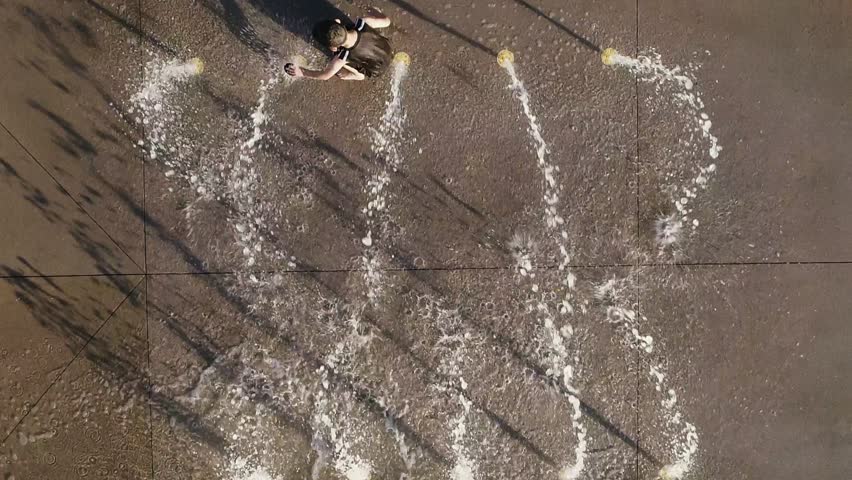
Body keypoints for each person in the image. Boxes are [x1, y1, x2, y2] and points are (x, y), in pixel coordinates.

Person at [285, 7, 392, 81]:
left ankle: (358, 75)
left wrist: (302, 73)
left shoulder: (343, 57)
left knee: (341, 68)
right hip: (387, 50)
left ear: (333, 47)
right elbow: (387, 21)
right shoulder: (363, 23)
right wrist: (375, 12)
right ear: (338, 22)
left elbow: (325, 75)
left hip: (375, 70)